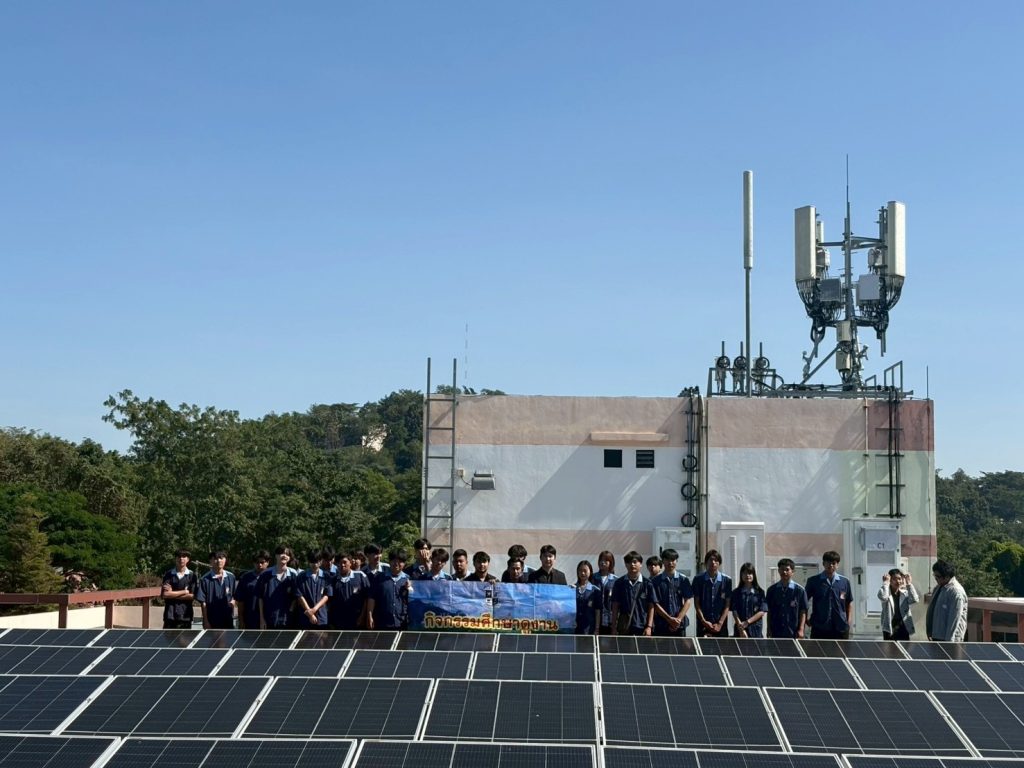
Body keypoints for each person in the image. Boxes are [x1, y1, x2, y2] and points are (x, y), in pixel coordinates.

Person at [805, 550, 854, 639]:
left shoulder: (844, 582)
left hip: (840, 627)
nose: (831, 565)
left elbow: (848, 602)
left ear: (837, 565)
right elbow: (804, 602)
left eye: (833, 563)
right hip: (819, 626)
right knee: (818, 648)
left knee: (841, 648)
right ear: (823, 563)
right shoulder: (814, 581)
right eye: (828, 562)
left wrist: (848, 621)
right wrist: (806, 619)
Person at [610, 551, 655, 636]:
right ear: (625, 564)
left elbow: (651, 606)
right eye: (629, 562)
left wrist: (649, 626)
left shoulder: (647, 583)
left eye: (635, 562)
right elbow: (615, 605)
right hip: (624, 627)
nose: (632, 564)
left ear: (640, 564)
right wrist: (613, 627)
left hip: (642, 626)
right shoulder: (619, 583)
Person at [650, 548, 693, 637]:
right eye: (667, 560)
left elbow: (688, 601)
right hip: (661, 624)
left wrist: (678, 619)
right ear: (663, 561)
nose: (670, 563)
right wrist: (669, 619)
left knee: (680, 646)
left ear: (676, 561)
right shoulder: (655, 581)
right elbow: (655, 603)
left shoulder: (683, 579)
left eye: (673, 560)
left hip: (679, 624)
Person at [367, 549, 411, 630]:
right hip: (382, 623)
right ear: (389, 561)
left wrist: (410, 589)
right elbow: (372, 598)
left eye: (400, 561)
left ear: (404, 564)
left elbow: (413, 600)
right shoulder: (379, 577)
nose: (396, 564)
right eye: (394, 561)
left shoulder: (408, 579)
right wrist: (369, 616)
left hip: (402, 623)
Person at [692, 550, 732, 638]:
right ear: (706, 562)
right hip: (703, 624)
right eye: (710, 560)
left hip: (720, 625)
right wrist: (703, 621)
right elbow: (697, 603)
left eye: (716, 560)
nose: (713, 562)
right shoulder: (698, 579)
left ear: (719, 563)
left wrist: (720, 623)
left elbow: (727, 605)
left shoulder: (727, 580)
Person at [765, 558, 808, 639]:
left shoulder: (800, 590)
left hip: (793, 632)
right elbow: (769, 611)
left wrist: (801, 629)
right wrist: (768, 628)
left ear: (792, 571)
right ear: (778, 570)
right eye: (782, 569)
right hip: (776, 631)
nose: (784, 572)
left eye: (787, 570)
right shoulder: (772, 590)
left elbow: (803, 611)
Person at [927, 560, 968, 642]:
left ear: (947, 576)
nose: (935, 578)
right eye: (934, 575)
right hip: (937, 635)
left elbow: (955, 618)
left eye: (938, 576)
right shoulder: (939, 587)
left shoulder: (956, 592)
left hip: (950, 638)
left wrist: (949, 641)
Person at [328, 552, 370, 629]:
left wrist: (362, 617)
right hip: (339, 624)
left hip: (357, 622)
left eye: (345, 562)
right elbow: (330, 602)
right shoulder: (333, 580)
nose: (342, 565)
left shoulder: (360, 576)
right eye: (339, 563)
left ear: (350, 563)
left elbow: (367, 599)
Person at [258, 546, 297, 629]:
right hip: (269, 620)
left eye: (287, 554)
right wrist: (262, 619)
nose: (284, 556)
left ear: (289, 558)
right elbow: (260, 598)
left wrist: (291, 609)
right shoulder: (265, 574)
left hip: (288, 621)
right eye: (281, 553)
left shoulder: (294, 574)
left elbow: (297, 597)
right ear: (276, 555)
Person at [196, 550, 236, 630]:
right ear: (210, 561)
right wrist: (205, 621)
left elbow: (234, 596)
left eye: (221, 558)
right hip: (212, 620)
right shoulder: (205, 579)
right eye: (215, 558)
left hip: (228, 619)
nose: (219, 561)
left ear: (225, 560)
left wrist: (233, 602)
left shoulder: (231, 577)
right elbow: (203, 602)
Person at [294, 550, 332, 628]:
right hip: (305, 618)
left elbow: (326, 596)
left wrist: (314, 609)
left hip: (321, 618)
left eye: (317, 561)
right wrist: (310, 613)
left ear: (321, 561)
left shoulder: (326, 576)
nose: (315, 564)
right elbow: (299, 596)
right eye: (312, 562)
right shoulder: (301, 576)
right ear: (308, 561)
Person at [878, 568, 918, 641]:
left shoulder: (904, 593)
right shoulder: (885, 591)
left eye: (899, 579)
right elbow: (883, 597)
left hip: (903, 626)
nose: (897, 581)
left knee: (904, 647)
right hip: (890, 627)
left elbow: (914, 599)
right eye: (894, 579)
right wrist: (885, 583)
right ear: (890, 580)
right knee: (889, 647)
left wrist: (909, 584)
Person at [161, 549, 197, 629]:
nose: (181, 559)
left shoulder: (192, 576)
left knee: (184, 638)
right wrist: (185, 591)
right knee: (168, 637)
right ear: (175, 559)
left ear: (188, 559)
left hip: (185, 616)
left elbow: (192, 596)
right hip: (170, 615)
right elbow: (165, 594)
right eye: (179, 557)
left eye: (184, 556)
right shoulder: (168, 574)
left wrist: (172, 594)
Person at [235, 551, 270, 630]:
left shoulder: (272, 577)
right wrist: (241, 620)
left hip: (269, 620)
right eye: (257, 562)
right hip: (250, 620)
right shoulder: (245, 578)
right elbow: (240, 601)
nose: (259, 565)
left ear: (268, 562)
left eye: (262, 562)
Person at [730, 562, 767, 638]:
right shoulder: (736, 593)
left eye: (750, 573)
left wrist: (747, 622)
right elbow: (734, 611)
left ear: (754, 575)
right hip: (739, 630)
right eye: (745, 573)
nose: (747, 575)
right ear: (741, 575)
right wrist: (741, 629)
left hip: (755, 630)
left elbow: (762, 611)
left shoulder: (760, 592)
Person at [574, 560, 602, 635]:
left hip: (589, 629)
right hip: (575, 628)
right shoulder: (572, 589)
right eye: (580, 570)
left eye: (585, 571)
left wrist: (597, 629)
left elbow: (597, 611)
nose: (582, 573)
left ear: (590, 572)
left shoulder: (595, 590)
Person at [593, 550, 617, 635]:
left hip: (609, 620)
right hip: (594, 619)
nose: (602, 562)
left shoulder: (615, 580)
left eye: (606, 560)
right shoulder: (593, 577)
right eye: (601, 560)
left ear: (611, 563)